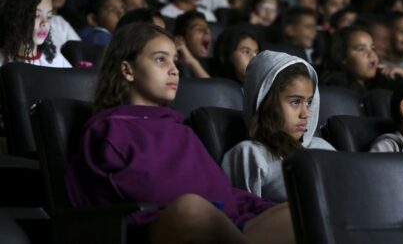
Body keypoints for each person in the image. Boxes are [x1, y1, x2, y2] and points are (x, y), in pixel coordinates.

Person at [65, 23, 293, 244]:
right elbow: (96, 205)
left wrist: (261, 208)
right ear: (128, 70)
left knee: (300, 213)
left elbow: (220, 190)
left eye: (174, 60)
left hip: (228, 226)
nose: (174, 69)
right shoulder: (107, 129)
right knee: (191, 211)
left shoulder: (181, 128)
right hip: (159, 229)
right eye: (160, 59)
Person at [222, 52, 335, 202]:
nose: (306, 114)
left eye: (308, 102)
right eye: (295, 102)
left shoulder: (323, 147)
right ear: (266, 102)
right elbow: (245, 215)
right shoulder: (251, 153)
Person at [0, 0, 71, 67]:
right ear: (16, 17)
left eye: (49, 16)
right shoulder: (2, 62)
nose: (44, 23)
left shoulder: (56, 60)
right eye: (37, 15)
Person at [173, 11, 213, 79]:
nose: (207, 31)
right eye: (198, 29)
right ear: (182, 38)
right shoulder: (175, 64)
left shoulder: (215, 65)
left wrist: (192, 62)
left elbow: (214, 88)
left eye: (208, 28)